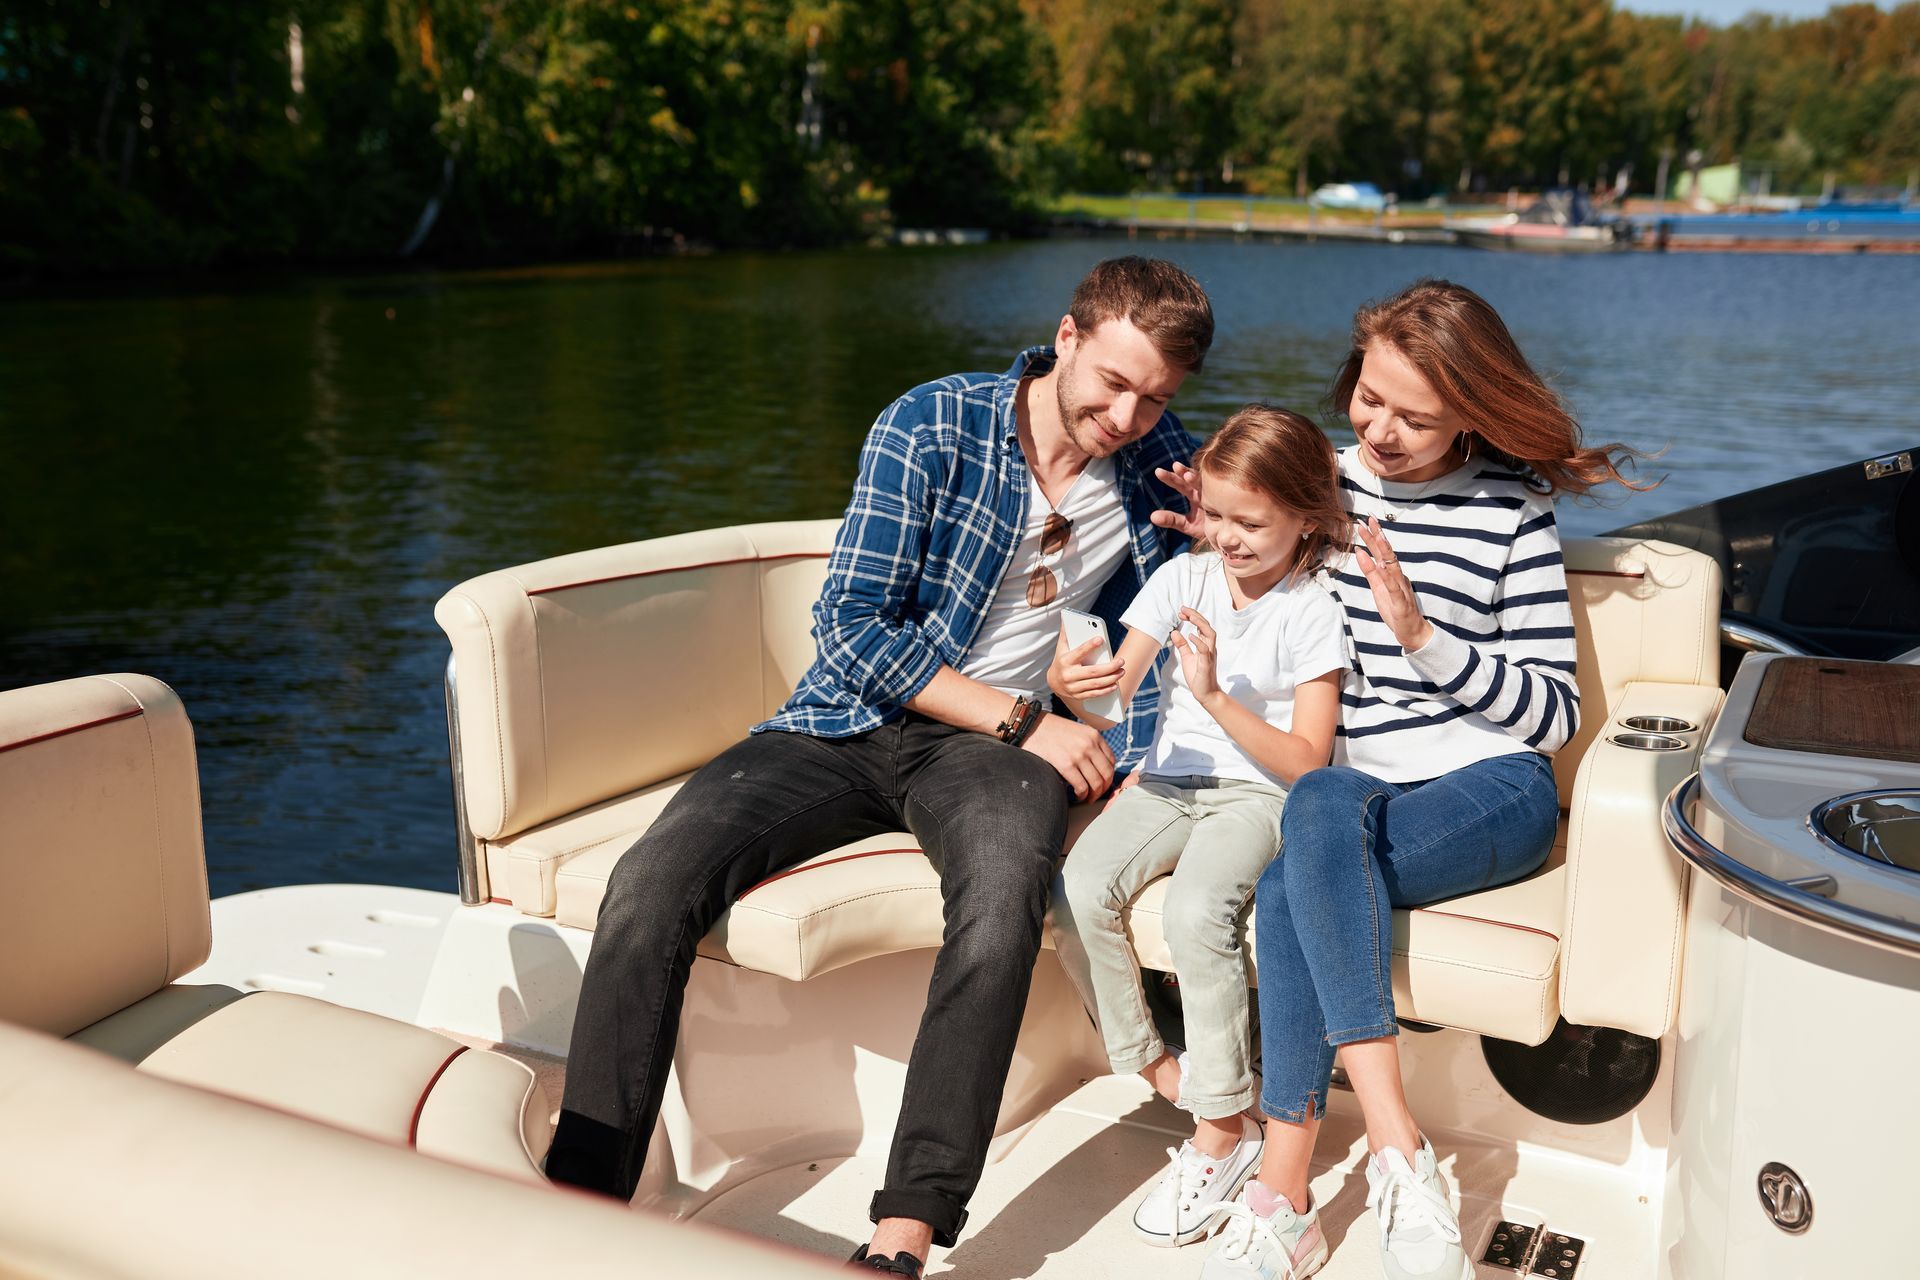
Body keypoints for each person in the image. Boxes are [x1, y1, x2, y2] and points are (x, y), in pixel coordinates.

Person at [544, 256, 1214, 1279]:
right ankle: (581, 1196)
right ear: (1066, 339)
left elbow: (1242, 544)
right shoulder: (931, 424)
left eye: (1155, 395)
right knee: (651, 883)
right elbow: (849, 629)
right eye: (1113, 382)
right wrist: (1020, 720)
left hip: (992, 760)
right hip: (854, 719)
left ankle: (904, 1229)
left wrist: (1134, 724)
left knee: (998, 906)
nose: (1127, 414)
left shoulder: (1164, 459)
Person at [1198, 279, 1650, 1280]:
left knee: (1295, 871)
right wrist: (1197, 536)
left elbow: (1553, 714)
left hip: (1493, 790)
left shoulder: (1512, 510)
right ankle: (1391, 1153)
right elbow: (1238, 553)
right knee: (1312, 821)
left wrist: (1423, 636)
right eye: (1370, 398)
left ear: (1473, 411)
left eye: (1417, 415)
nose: (1383, 429)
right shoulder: (1316, 482)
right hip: (1353, 798)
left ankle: (1286, 1177)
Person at [1046, 406, 1349, 1249]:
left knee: (1193, 915)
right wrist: (1073, 684)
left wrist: (1213, 695)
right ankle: (1163, 1071)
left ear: (1307, 519)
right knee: (1076, 887)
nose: (1228, 537)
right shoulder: (1184, 578)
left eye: (1251, 522)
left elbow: (1308, 765)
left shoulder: (1311, 610)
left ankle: (1221, 1132)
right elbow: (1112, 694)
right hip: (1168, 783)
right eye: (1216, 515)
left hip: (1256, 795)